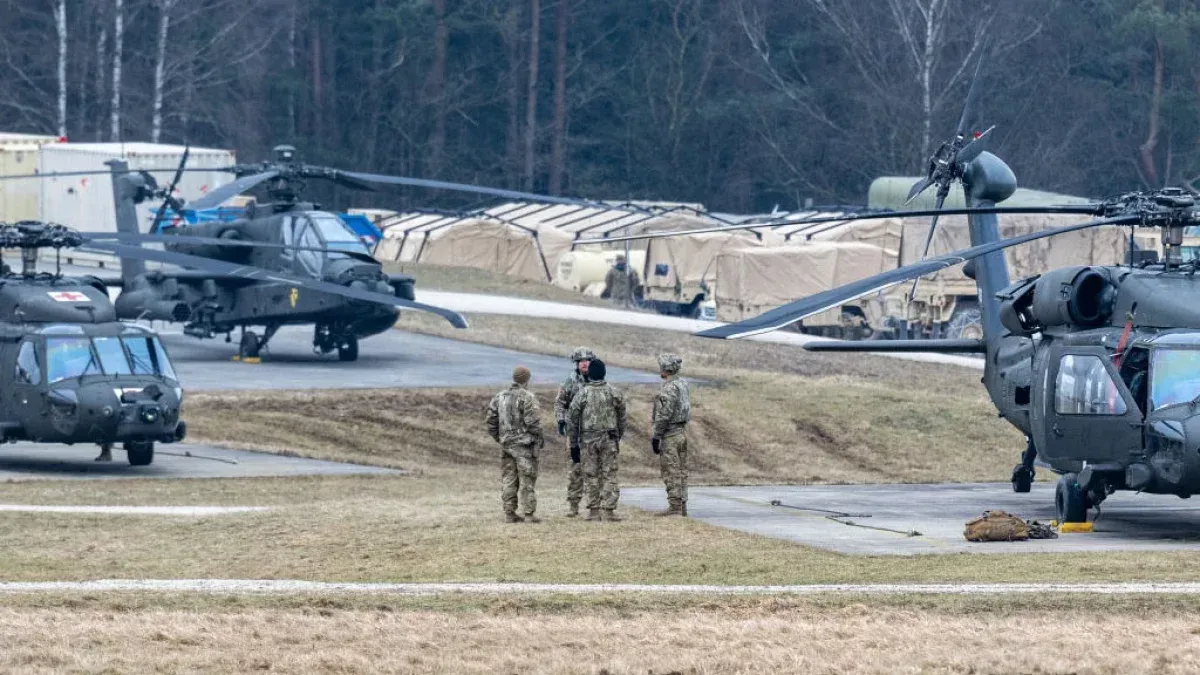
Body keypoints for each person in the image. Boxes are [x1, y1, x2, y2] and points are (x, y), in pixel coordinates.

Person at [567, 358, 627, 522]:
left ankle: (594, 511)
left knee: (590, 475)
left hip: (588, 440)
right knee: (610, 474)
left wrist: (573, 444)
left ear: (590, 374)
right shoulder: (614, 392)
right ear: (604, 373)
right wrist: (617, 436)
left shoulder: (582, 393)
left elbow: (572, 419)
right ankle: (608, 510)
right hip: (609, 438)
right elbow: (622, 417)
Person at [486, 366, 544, 523]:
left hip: (507, 445)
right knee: (527, 479)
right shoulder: (528, 397)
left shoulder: (499, 397)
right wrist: (539, 437)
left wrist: (500, 438)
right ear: (527, 379)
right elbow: (533, 423)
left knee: (509, 478)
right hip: (524, 446)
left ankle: (509, 513)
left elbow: (491, 420)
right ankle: (529, 514)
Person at [555, 346, 595, 517]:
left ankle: (595, 506)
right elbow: (560, 403)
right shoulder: (570, 382)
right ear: (576, 364)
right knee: (575, 470)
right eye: (581, 361)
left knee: (595, 470)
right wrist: (561, 420)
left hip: (594, 433)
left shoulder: (598, 379)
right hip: (576, 433)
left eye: (587, 361)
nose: (584, 364)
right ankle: (573, 506)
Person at [651, 353, 691, 516]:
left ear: (666, 368)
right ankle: (682, 505)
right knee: (681, 471)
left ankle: (675, 506)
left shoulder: (669, 387)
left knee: (671, 470)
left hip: (670, 435)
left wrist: (656, 435)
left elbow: (665, 414)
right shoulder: (682, 384)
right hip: (680, 433)